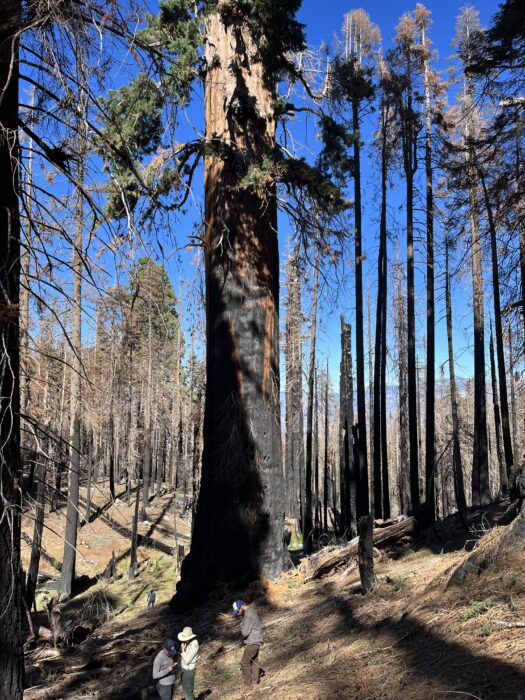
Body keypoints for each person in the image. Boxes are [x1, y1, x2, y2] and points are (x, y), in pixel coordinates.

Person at [232, 599, 264, 688]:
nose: (238, 613)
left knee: (244, 663)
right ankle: (255, 682)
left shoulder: (248, 615)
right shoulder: (251, 610)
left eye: (238, 611)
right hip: (257, 641)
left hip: (252, 642)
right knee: (254, 662)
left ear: (241, 607)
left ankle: (248, 683)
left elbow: (245, 632)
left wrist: (241, 625)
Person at [178, 626, 199, 700]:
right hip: (184, 669)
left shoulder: (194, 645)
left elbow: (187, 661)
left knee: (188, 691)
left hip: (188, 670)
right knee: (185, 689)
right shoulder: (188, 642)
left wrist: (182, 651)